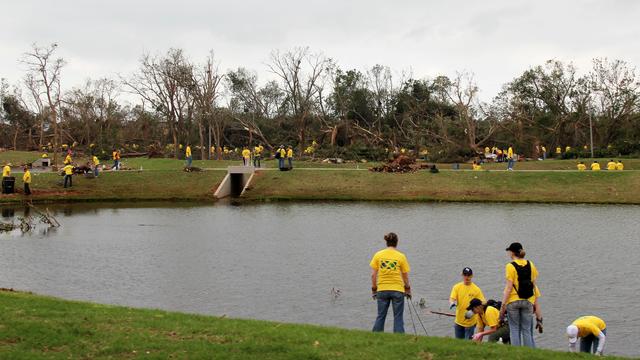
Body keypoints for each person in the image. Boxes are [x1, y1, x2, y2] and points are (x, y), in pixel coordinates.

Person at [370, 232, 411, 334]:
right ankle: (399, 339)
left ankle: (376, 336)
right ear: (396, 242)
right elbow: (405, 276)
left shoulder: (378, 255)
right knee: (398, 317)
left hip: (382, 290)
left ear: (386, 242)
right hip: (397, 290)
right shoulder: (401, 256)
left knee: (381, 315)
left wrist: (374, 289)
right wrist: (407, 288)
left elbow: (373, 275)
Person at [499, 242, 538, 348]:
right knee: (526, 330)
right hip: (528, 300)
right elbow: (534, 286)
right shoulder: (531, 264)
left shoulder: (510, 266)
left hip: (513, 301)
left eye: (509, 251)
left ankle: (516, 354)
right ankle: (529, 354)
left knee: (514, 329)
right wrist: (535, 304)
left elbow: (509, 288)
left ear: (512, 253)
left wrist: (503, 305)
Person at [449, 267, 485, 339]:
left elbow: (483, 302)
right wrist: (452, 303)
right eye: (465, 275)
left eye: (468, 275)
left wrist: (474, 311)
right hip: (458, 321)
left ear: (472, 276)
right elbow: (452, 298)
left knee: (467, 342)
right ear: (462, 275)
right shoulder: (457, 287)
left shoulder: (476, 289)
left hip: (470, 322)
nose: (467, 277)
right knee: (458, 342)